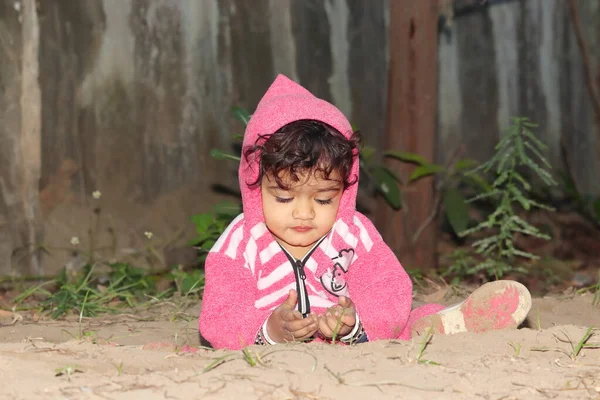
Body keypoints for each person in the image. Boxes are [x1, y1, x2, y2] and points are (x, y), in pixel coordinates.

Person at [198, 74, 532, 350]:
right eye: (284, 199)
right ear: (255, 187)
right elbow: (220, 314)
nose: (304, 214)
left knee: (409, 324)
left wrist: (353, 323)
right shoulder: (241, 244)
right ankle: (434, 327)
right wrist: (270, 329)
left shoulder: (353, 234)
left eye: (324, 199)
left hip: (356, 344)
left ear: (345, 189)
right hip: (269, 350)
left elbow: (386, 286)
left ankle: (452, 322)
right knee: (237, 340)